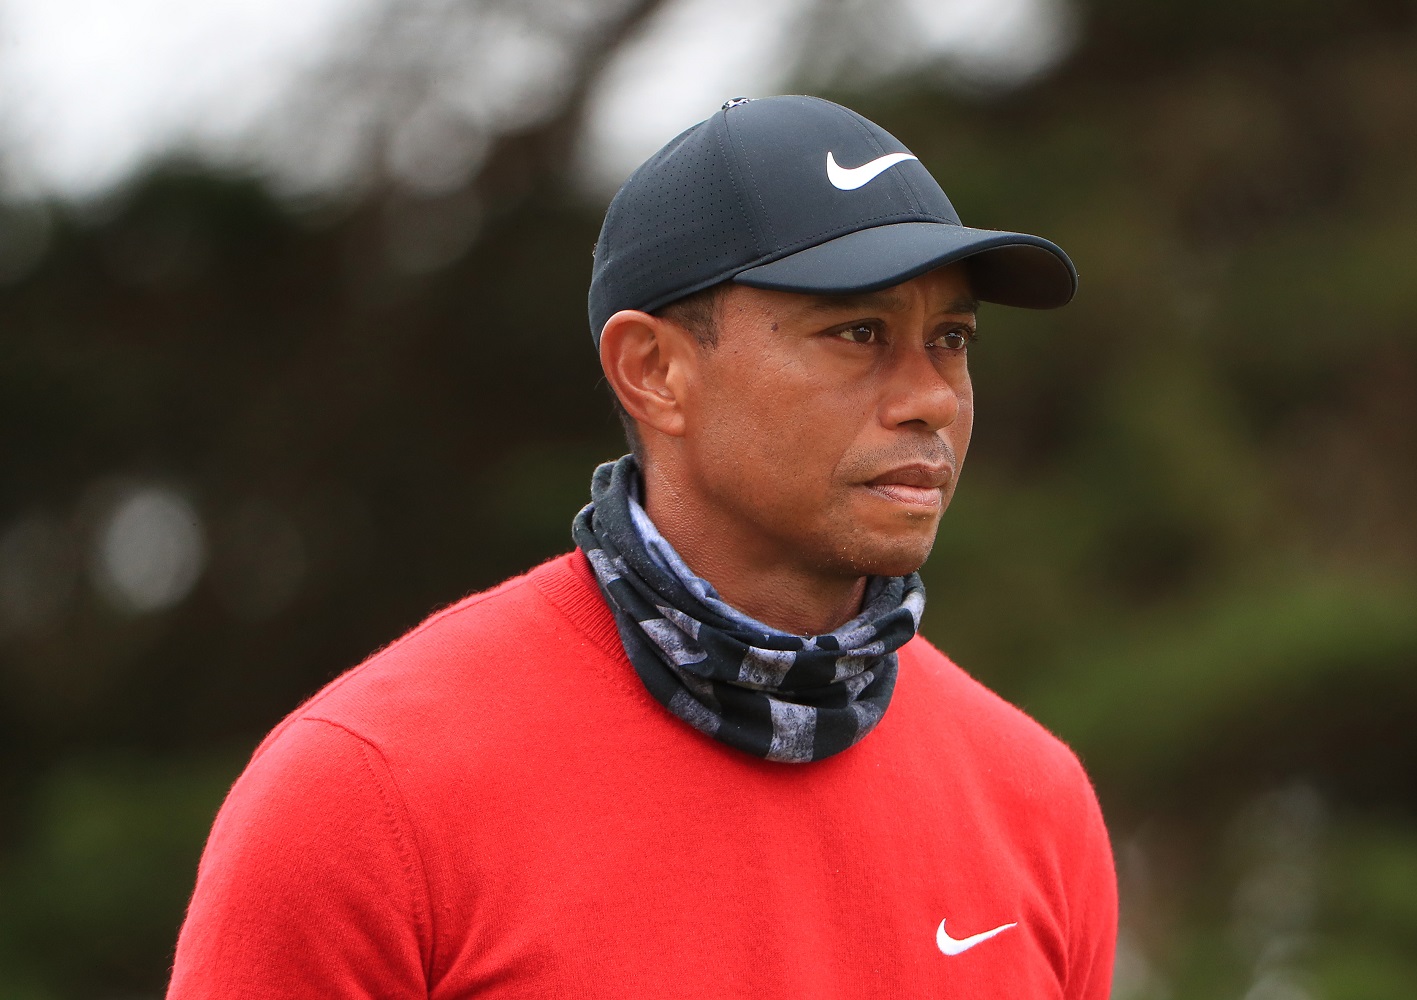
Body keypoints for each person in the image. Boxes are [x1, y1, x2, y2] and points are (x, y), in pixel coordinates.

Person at [167, 94, 1117, 998]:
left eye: (951, 339)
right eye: (860, 332)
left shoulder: (1035, 802)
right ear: (653, 371)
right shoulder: (365, 798)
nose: (934, 398)